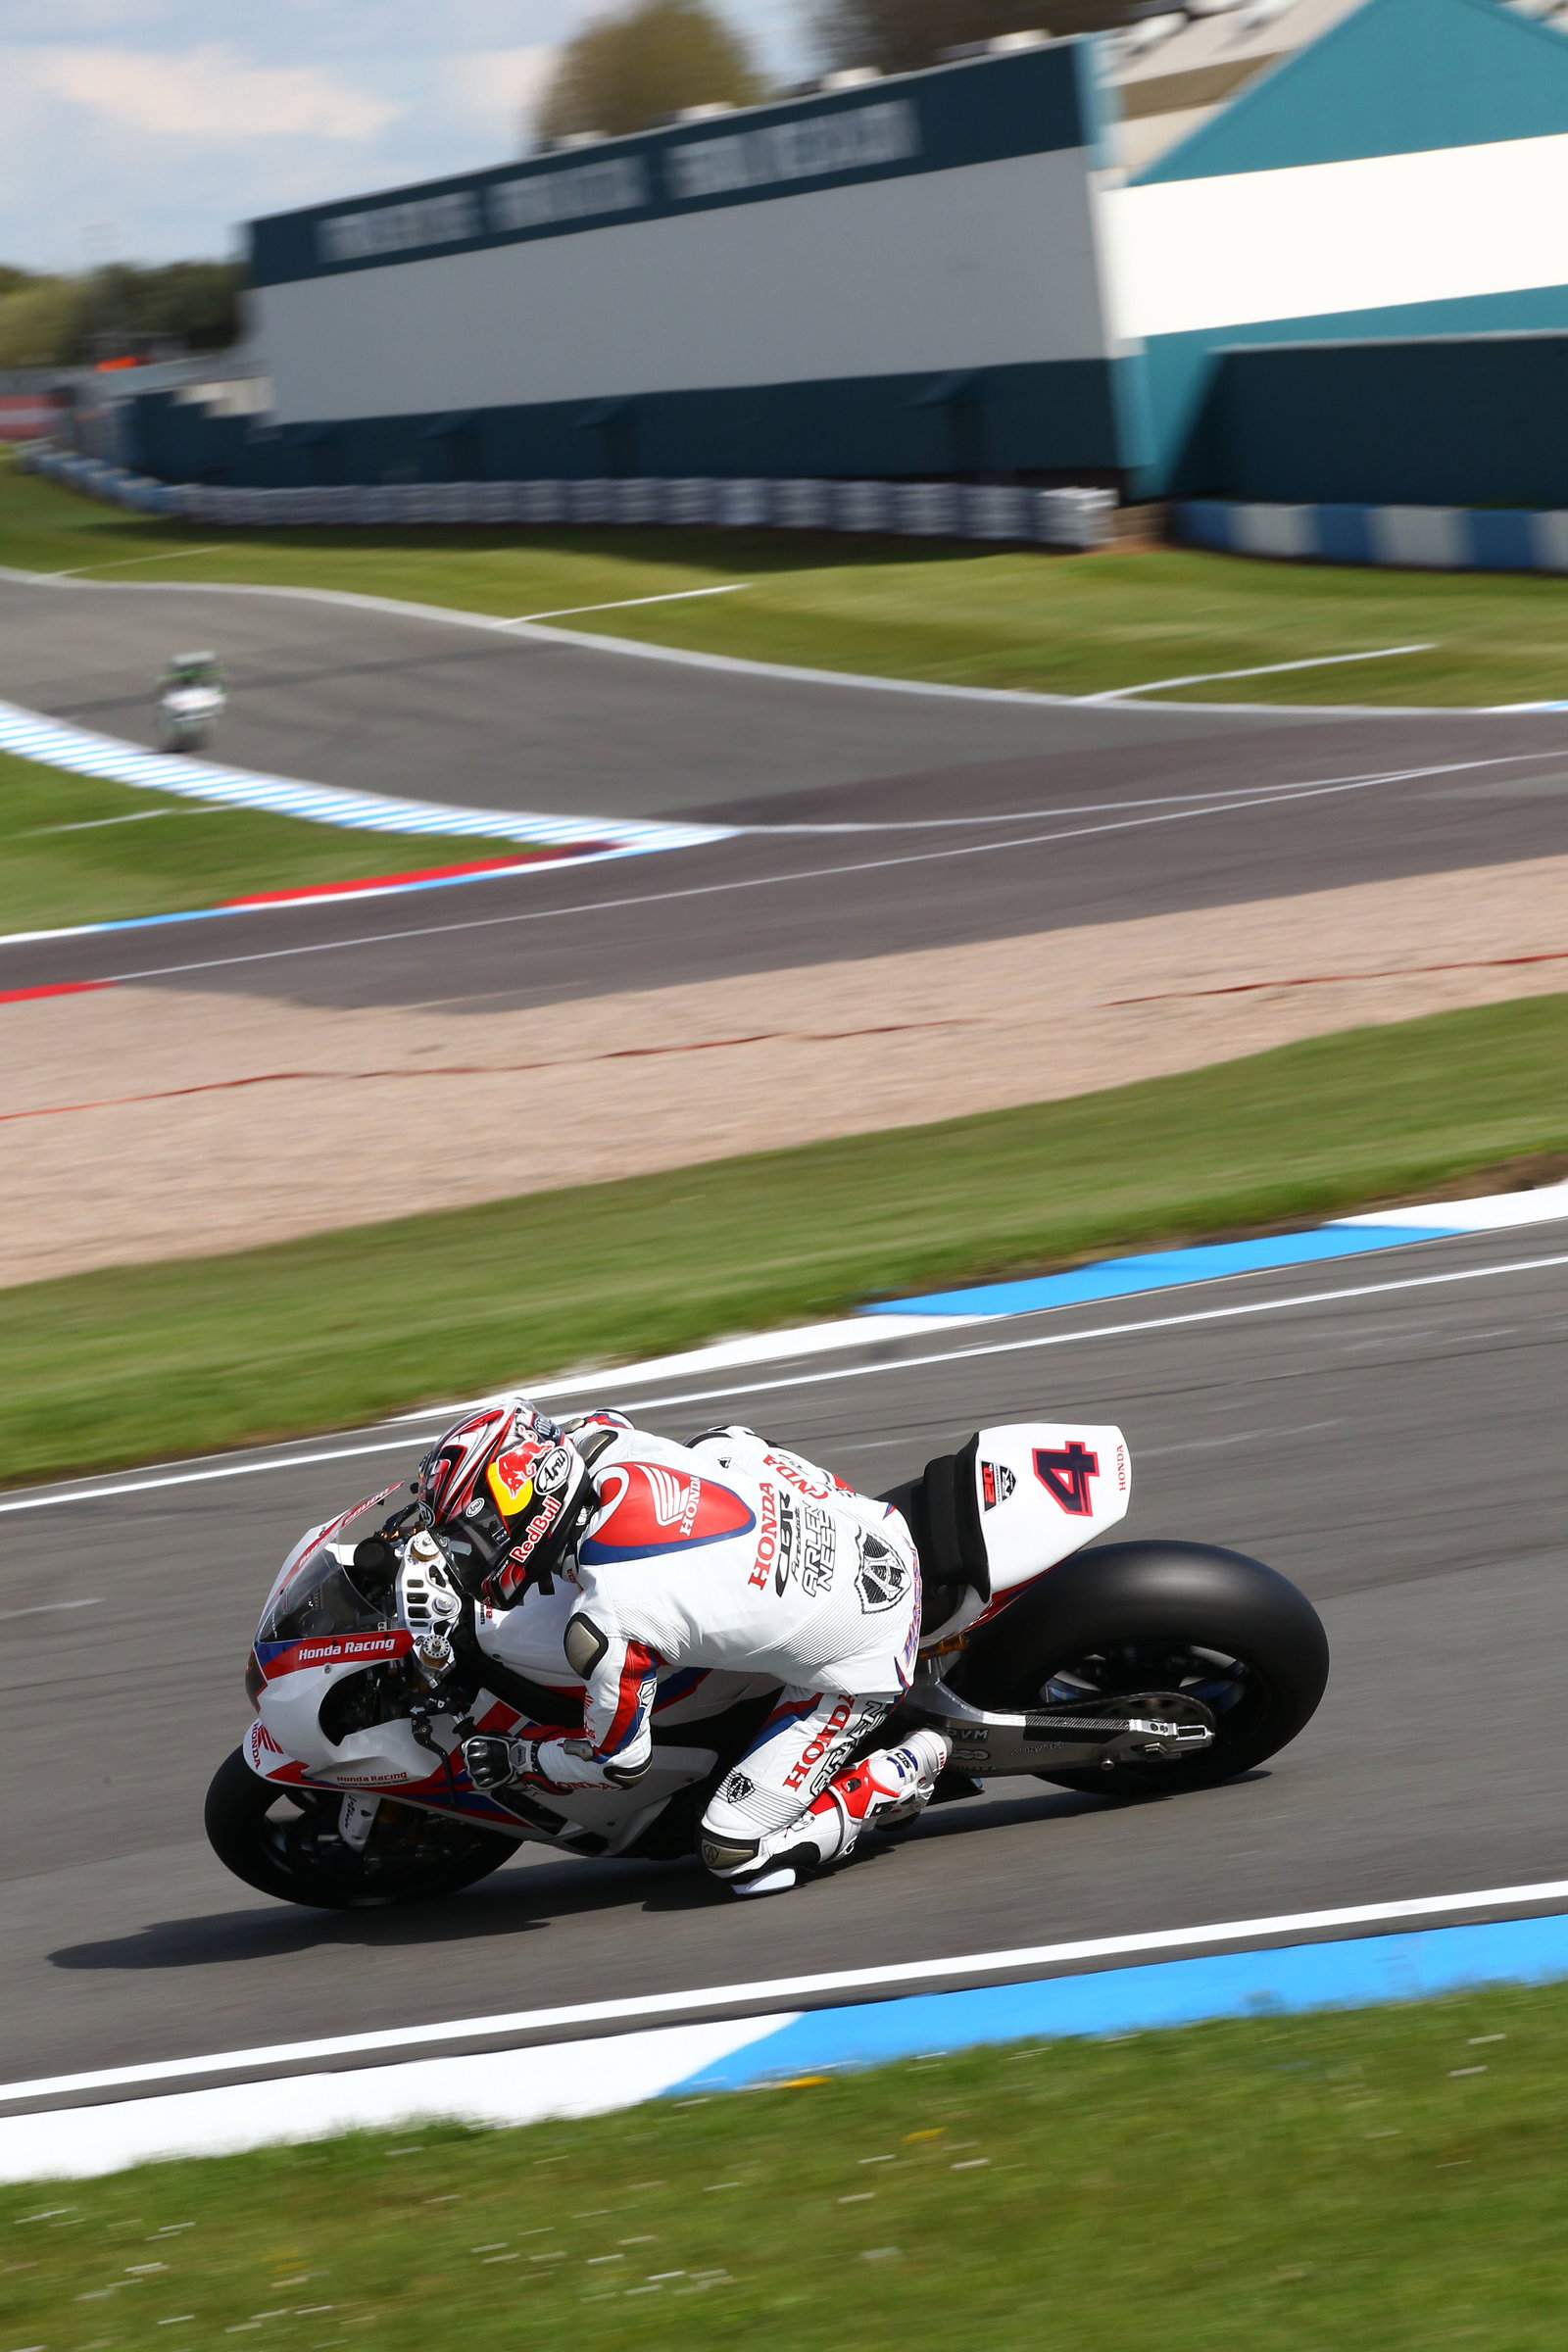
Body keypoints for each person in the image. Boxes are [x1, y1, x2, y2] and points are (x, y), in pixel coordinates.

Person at [415, 1396, 950, 1896]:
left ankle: (898, 1771)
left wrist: (520, 1759)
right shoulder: (603, 1442)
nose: (467, 1552)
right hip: (870, 1527)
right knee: (721, 1444)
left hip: (873, 1646)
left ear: (526, 1503)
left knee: (735, 1853)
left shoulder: (611, 1620)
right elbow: (601, 1422)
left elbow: (620, 1763)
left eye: (474, 1530)